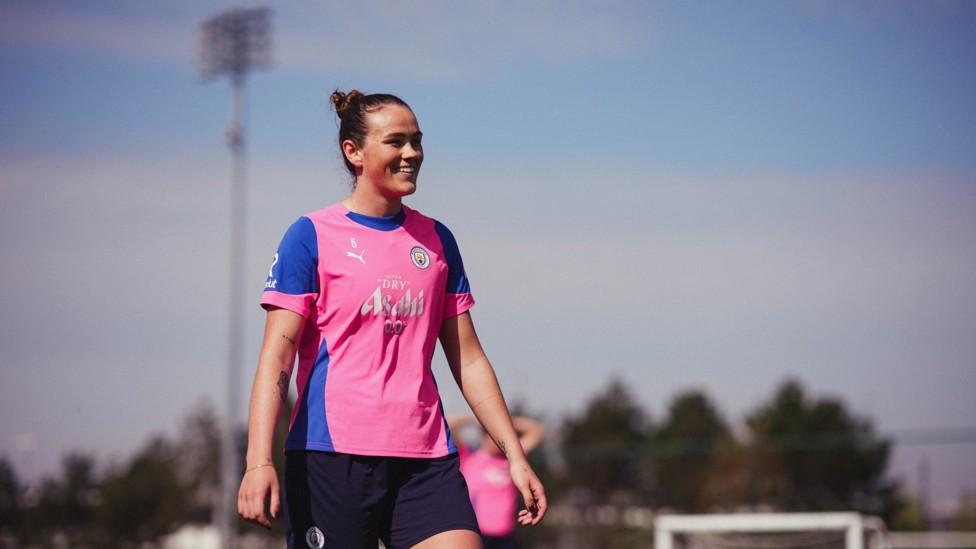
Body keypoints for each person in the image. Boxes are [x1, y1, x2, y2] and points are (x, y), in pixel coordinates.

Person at [237, 89, 547, 549]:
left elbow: (469, 359)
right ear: (354, 152)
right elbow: (276, 359)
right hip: (331, 457)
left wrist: (514, 455)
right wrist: (258, 460)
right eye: (396, 141)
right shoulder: (311, 236)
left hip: (426, 458)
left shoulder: (438, 240)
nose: (411, 154)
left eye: (417, 141)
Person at [449, 414, 545, 549]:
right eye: (493, 435)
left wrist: (502, 420)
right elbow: (451, 424)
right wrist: (477, 419)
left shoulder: (513, 457)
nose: (497, 440)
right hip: (478, 532)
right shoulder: (469, 456)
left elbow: (537, 430)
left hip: (507, 533)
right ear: (484, 436)